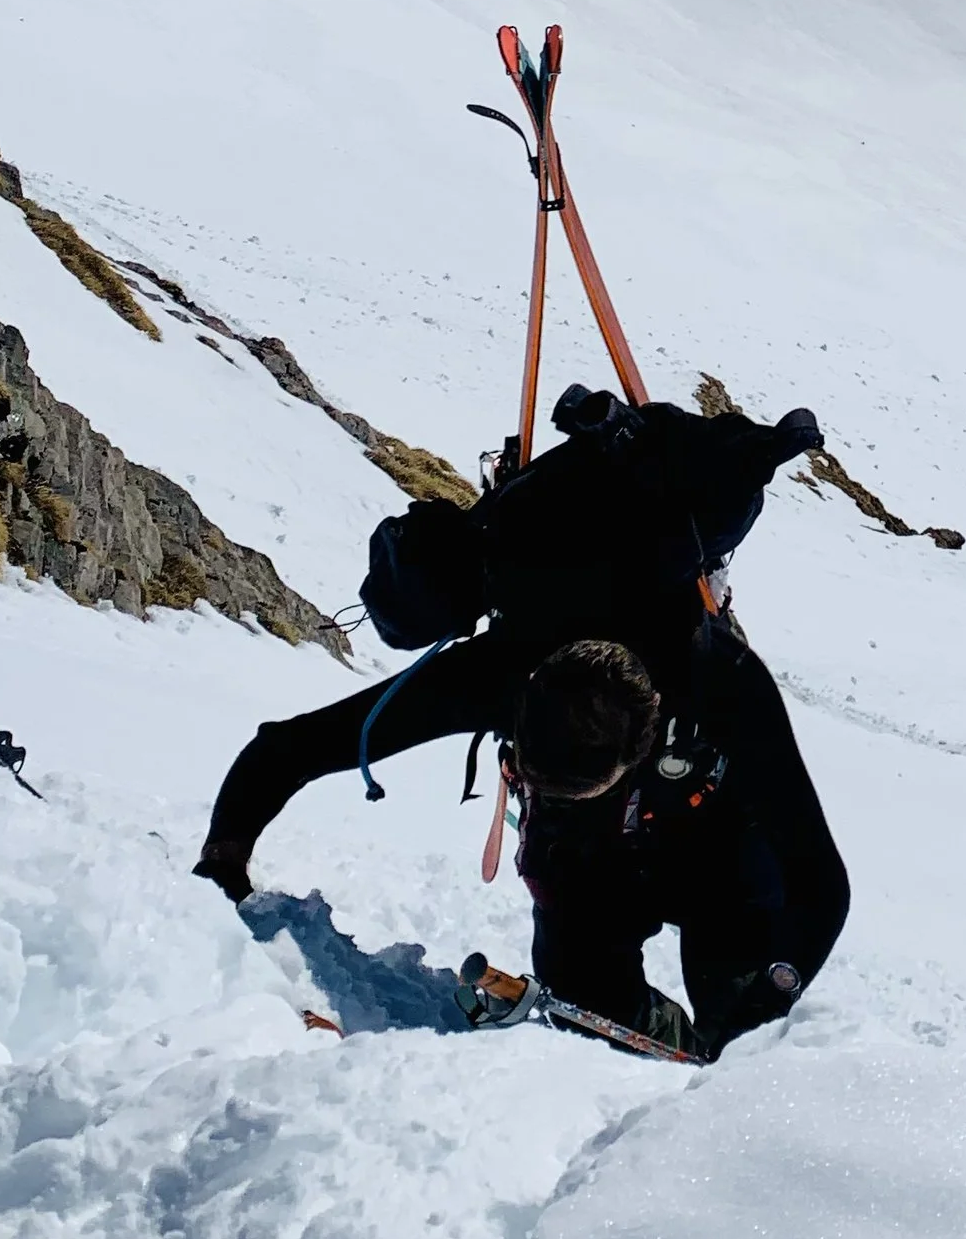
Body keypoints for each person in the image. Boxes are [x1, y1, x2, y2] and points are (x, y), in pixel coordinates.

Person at [193, 381, 822, 905]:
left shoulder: (606, 647)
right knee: (581, 870)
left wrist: (226, 852)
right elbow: (289, 747)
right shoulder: (500, 674)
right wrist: (224, 857)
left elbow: (288, 748)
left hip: (636, 559)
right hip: (625, 550)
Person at [488, 632, 850, 1058]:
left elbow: (821, 880)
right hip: (596, 863)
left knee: (741, 1029)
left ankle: (710, 1057)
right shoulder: (521, 666)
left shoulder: (720, 679)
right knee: (584, 997)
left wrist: (772, 992)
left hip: (722, 858)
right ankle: (684, 1056)